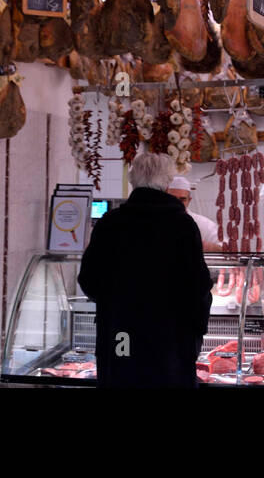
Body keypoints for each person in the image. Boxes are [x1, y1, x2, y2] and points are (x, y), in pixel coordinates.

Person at [77, 152, 213, 388]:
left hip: (122, 334)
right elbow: (198, 285)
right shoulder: (182, 225)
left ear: (133, 181)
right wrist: (195, 331)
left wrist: (114, 306)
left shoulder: (110, 222)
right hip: (169, 338)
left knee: (123, 377)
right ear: (167, 183)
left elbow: (89, 280)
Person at [167, 176, 223, 252]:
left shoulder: (204, 224)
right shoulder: (153, 221)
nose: (177, 203)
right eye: (172, 198)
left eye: (182, 199)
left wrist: (210, 247)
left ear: (189, 200)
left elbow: (225, 246)